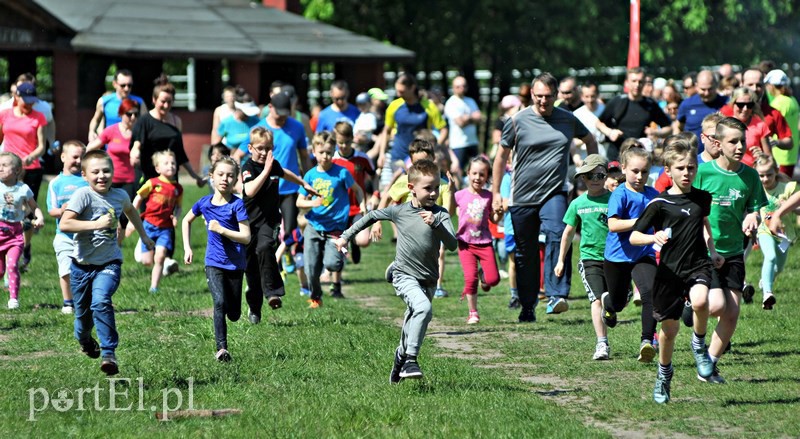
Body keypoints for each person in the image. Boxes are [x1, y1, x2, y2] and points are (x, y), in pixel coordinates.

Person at [333, 159, 458, 382]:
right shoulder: (400, 211)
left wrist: (436, 225)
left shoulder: (440, 215)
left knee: (414, 317)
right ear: (411, 188)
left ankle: (400, 356)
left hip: (428, 278)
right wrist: (345, 237)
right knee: (423, 307)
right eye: (428, 188)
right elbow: (371, 216)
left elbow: (452, 245)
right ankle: (411, 360)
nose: (433, 193)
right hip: (404, 274)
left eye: (437, 187)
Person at [491, 72, 598, 322]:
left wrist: (591, 173)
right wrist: (496, 192)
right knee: (525, 252)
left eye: (548, 97)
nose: (543, 101)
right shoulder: (517, 121)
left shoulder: (567, 120)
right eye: (538, 96)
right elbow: (500, 157)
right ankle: (527, 306)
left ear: (556, 95)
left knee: (558, 234)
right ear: (531, 95)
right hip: (522, 196)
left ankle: (556, 294)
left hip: (554, 192)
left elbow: (590, 140)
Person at [629, 139, 722, 404]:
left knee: (702, 300)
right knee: (668, 333)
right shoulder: (659, 203)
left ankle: (699, 346)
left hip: (697, 264)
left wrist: (712, 249)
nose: (687, 173)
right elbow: (635, 236)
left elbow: (704, 224)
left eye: (691, 167)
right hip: (669, 272)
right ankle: (664, 374)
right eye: (680, 168)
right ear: (668, 171)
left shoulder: (702, 198)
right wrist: (653, 238)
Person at [59, 150, 155, 375]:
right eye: (95, 172)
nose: (102, 175)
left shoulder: (120, 195)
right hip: (81, 268)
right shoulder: (83, 195)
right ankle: (85, 341)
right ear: (84, 175)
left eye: (106, 171)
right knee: (82, 322)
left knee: (101, 301)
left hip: (109, 263)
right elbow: (65, 224)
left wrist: (143, 236)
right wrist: (97, 224)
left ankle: (108, 352)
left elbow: (131, 211)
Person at [692, 117, 766, 383]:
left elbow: (755, 206)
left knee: (732, 313)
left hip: (734, 249)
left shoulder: (750, 175)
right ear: (717, 143)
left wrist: (753, 216)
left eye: (742, 141)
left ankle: (709, 364)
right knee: (716, 306)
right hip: (704, 249)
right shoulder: (703, 173)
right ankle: (690, 307)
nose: (739, 146)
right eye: (732, 141)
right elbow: (692, 210)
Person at [240, 127, 317, 323]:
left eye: (268, 148)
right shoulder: (248, 167)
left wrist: (303, 183)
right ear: (250, 148)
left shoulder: (272, 165)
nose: (264, 153)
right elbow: (249, 190)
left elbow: (284, 173)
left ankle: (273, 293)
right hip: (248, 224)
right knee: (252, 271)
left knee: (265, 247)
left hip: (270, 220)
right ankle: (255, 309)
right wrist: (266, 170)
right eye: (260, 148)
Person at [182, 157, 251, 362]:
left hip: (236, 264)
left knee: (234, 314)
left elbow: (246, 237)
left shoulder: (237, 205)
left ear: (236, 179)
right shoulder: (204, 203)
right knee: (219, 302)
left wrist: (222, 229)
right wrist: (187, 247)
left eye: (230, 175)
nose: (225, 179)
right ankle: (222, 349)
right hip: (213, 262)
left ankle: (234, 312)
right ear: (211, 177)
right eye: (220, 174)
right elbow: (186, 220)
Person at [238, 91, 311, 277]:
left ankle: (282, 256)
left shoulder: (297, 127)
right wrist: (239, 184)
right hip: (263, 190)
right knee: (267, 231)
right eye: (280, 112)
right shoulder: (259, 130)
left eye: (287, 113)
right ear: (270, 108)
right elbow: (239, 155)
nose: (283, 117)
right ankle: (274, 263)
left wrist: (308, 182)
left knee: (290, 231)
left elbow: (304, 156)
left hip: (289, 189)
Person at [372, 139, 454, 298]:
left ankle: (434, 285)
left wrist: (452, 189)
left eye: (424, 161)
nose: (419, 166)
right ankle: (402, 269)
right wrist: (377, 222)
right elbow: (387, 198)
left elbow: (449, 213)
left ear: (433, 159)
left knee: (437, 254)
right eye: (415, 162)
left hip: (433, 227)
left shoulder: (442, 184)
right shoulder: (405, 180)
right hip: (409, 227)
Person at [600, 145, 659, 362]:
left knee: (650, 293)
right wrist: (640, 221)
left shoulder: (653, 195)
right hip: (617, 256)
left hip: (643, 253)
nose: (640, 176)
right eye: (635, 171)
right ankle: (609, 302)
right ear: (624, 169)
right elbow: (613, 225)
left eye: (644, 172)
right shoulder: (619, 194)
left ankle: (647, 342)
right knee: (618, 304)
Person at [554, 154, 612, 360]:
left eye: (598, 175)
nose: (594, 179)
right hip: (589, 258)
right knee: (596, 300)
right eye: (588, 176)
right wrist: (561, 259)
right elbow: (568, 233)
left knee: (615, 300)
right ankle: (602, 344)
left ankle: (613, 306)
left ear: (606, 176)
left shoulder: (615, 199)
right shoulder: (578, 203)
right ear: (583, 179)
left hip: (614, 259)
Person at [296, 133, 361, 307]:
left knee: (332, 264)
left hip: (335, 228)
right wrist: (312, 202)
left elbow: (357, 189)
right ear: (314, 152)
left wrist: (363, 207)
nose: (326, 156)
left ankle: (343, 248)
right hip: (314, 226)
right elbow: (299, 201)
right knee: (311, 268)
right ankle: (316, 297)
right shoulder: (310, 175)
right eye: (322, 152)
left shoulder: (341, 173)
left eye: (329, 152)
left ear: (334, 152)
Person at [0, 81, 47, 271]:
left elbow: (42, 145)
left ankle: (24, 246)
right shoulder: (5, 114)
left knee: (27, 211)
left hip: (31, 168)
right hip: (8, 169)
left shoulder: (39, 117)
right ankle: (7, 247)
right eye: (25, 100)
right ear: (16, 97)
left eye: (32, 101)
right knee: (6, 206)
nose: (29, 104)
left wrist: (31, 156)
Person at [130, 75, 205, 185]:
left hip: (171, 177)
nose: (166, 105)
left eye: (169, 102)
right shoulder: (144, 121)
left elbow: (180, 153)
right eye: (163, 101)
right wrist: (134, 154)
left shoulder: (176, 121)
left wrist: (195, 176)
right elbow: (137, 144)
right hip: (150, 177)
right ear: (154, 100)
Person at [454, 157, 501, 324]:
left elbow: (494, 219)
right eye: (474, 173)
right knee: (470, 278)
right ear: (468, 174)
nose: (477, 177)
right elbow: (450, 211)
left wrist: (498, 212)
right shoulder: (459, 195)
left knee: (493, 280)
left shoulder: (488, 197)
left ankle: (484, 276)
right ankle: (473, 312)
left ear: (486, 177)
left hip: (484, 242)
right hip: (465, 243)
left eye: (482, 174)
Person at [128, 151, 183, 294]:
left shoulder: (178, 189)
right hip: (148, 225)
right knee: (147, 261)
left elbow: (179, 207)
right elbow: (139, 197)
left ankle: (154, 287)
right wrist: (133, 216)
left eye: (173, 163)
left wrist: (176, 216)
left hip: (165, 228)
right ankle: (141, 245)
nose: (170, 166)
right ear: (158, 168)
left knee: (160, 257)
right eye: (166, 163)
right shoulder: (152, 183)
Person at [46, 141, 88, 314]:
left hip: (85, 235)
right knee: (65, 269)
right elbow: (51, 210)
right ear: (63, 157)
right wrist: (62, 210)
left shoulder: (87, 180)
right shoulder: (55, 183)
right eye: (75, 157)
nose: (78, 161)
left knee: (86, 270)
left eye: (82, 157)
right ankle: (68, 302)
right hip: (64, 235)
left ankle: (85, 300)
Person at [596, 67, 672, 161]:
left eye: (640, 81)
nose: (637, 85)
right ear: (627, 82)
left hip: (639, 157)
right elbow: (598, 123)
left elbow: (668, 128)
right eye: (634, 81)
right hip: (616, 157)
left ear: (644, 83)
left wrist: (656, 132)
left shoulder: (650, 104)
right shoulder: (618, 101)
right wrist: (610, 132)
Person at [376, 73, 448, 171]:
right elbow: (386, 131)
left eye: (401, 91)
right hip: (398, 156)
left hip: (421, 157)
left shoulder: (428, 106)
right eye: (397, 91)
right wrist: (381, 154)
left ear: (412, 88)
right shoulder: (394, 105)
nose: (398, 94)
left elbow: (443, 129)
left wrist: (434, 147)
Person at [0, 152, 44, 309]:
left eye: (5, 165)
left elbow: (34, 206)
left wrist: (39, 217)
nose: (0, 168)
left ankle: (13, 298)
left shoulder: (23, 189)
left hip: (15, 235)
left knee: (12, 266)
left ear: (17, 170)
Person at [754, 155, 796, 310]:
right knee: (770, 257)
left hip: (784, 235)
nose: (765, 179)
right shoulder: (756, 189)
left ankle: (765, 280)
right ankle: (767, 294)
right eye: (761, 175)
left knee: (779, 268)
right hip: (764, 231)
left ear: (776, 171)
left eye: (769, 175)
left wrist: (789, 206)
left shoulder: (787, 188)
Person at [332, 121, 377, 264]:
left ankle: (355, 244)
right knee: (337, 243)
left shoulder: (362, 158)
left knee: (364, 241)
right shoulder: (332, 160)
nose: (344, 146)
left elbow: (374, 176)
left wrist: (375, 194)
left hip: (359, 206)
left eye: (347, 142)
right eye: (340, 143)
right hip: (339, 208)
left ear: (353, 139)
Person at [87, 98, 140, 210]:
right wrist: (89, 166)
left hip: (129, 180)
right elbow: (91, 148)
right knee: (109, 212)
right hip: (109, 178)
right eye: (129, 114)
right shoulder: (111, 130)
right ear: (121, 114)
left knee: (125, 215)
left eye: (136, 114)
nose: (133, 117)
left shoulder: (139, 133)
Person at [674, 70, 728, 146]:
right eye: (703, 89)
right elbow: (678, 127)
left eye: (710, 89)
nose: (706, 93)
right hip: (693, 155)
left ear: (716, 85)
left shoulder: (727, 103)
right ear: (696, 86)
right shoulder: (687, 104)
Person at [88, 69, 146, 141]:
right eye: (123, 85)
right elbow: (96, 119)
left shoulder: (139, 102)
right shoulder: (104, 101)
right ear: (114, 84)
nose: (126, 88)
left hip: (132, 146)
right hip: (110, 147)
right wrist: (91, 131)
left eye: (129, 85)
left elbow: (146, 123)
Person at [763, 69, 800, 177]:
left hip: (779, 153)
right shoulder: (792, 100)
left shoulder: (778, 103)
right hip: (791, 153)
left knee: (780, 190)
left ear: (772, 86)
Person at [726, 87, 771, 167]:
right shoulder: (725, 125)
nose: (745, 109)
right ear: (733, 104)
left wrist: (761, 156)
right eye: (740, 105)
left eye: (749, 105)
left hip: (752, 172)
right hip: (731, 171)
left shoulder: (760, 125)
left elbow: (769, 158)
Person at [445, 76, 482, 168]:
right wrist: (472, 117)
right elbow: (460, 123)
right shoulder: (451, 103)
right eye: (458, 86)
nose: (462, 88)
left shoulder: (471, 101)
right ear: (453, 88)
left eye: (464, 86)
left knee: (476, 169)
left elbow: (479, 118)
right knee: (458, 171)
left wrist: (466, 118)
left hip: (473, 141)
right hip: (458, 144)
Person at [499, 155, 519, 308]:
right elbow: (505, 205)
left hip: (528, 227)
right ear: (508, 162)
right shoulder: (507, 179)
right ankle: (514, 295)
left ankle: (528, 293)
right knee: (514, 263)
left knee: (527, 263)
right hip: (512, 228)